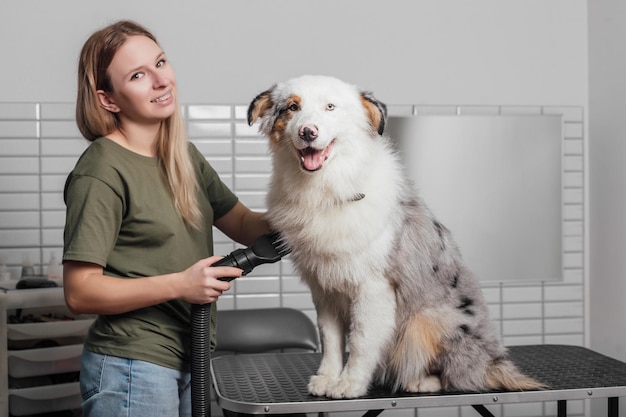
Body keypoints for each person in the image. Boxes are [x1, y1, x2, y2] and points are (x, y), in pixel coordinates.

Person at [63, 20, 269, 417]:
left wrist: (311, 210)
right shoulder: (102, 169)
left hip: (191, 356)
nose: (161, 80)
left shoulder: (183, 156)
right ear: (108, 99)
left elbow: (243, 223)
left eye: (161, 63)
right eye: (139, 75)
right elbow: (79, 291)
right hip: (131, 366)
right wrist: (181, 284)